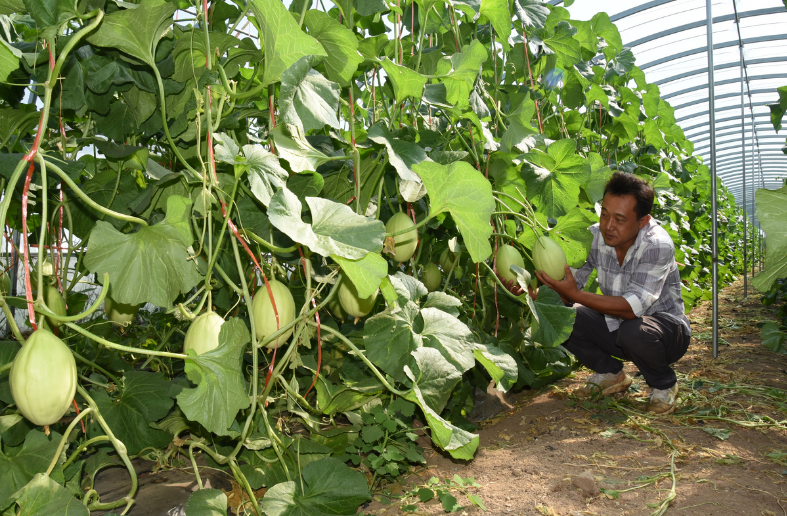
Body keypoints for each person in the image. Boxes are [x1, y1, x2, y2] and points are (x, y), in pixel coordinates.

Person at [531, 172, 691, 415]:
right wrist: (535, 293)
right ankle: (611, 374)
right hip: (617, 328)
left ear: (642, 221)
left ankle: (664, 384)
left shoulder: (657, 244)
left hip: (665, 332)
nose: (608, 226)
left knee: (633, 329)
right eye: (604, 214)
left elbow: (630, 308)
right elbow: (565, 290)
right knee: (559, 315)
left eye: (619, 219)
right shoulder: (594, 236)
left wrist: (574, 294)